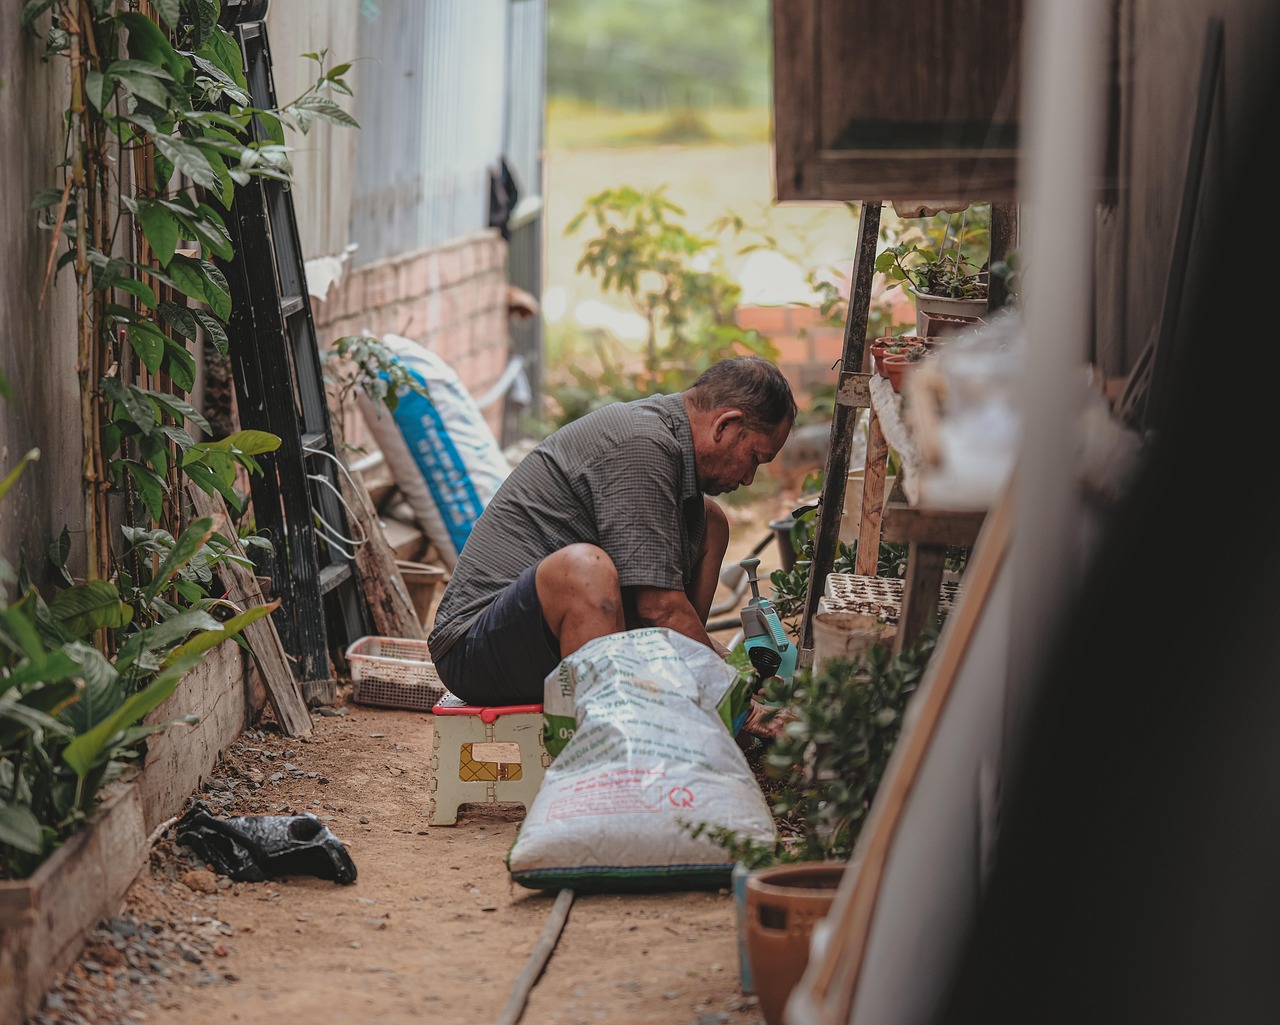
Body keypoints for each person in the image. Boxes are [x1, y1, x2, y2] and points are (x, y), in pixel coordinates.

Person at [427, 355, 796, 725]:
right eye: (754, 458)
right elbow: (660, 609)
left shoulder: (664, 445)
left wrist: (733, 675)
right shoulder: (643, 444)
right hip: (475, 648)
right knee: (585, 569)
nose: (749, 478)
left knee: (711, 522)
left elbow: (674, 626)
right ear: (726, 425)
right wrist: (743, 709)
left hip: (546, 638)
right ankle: (610, 750)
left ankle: (681, 700)